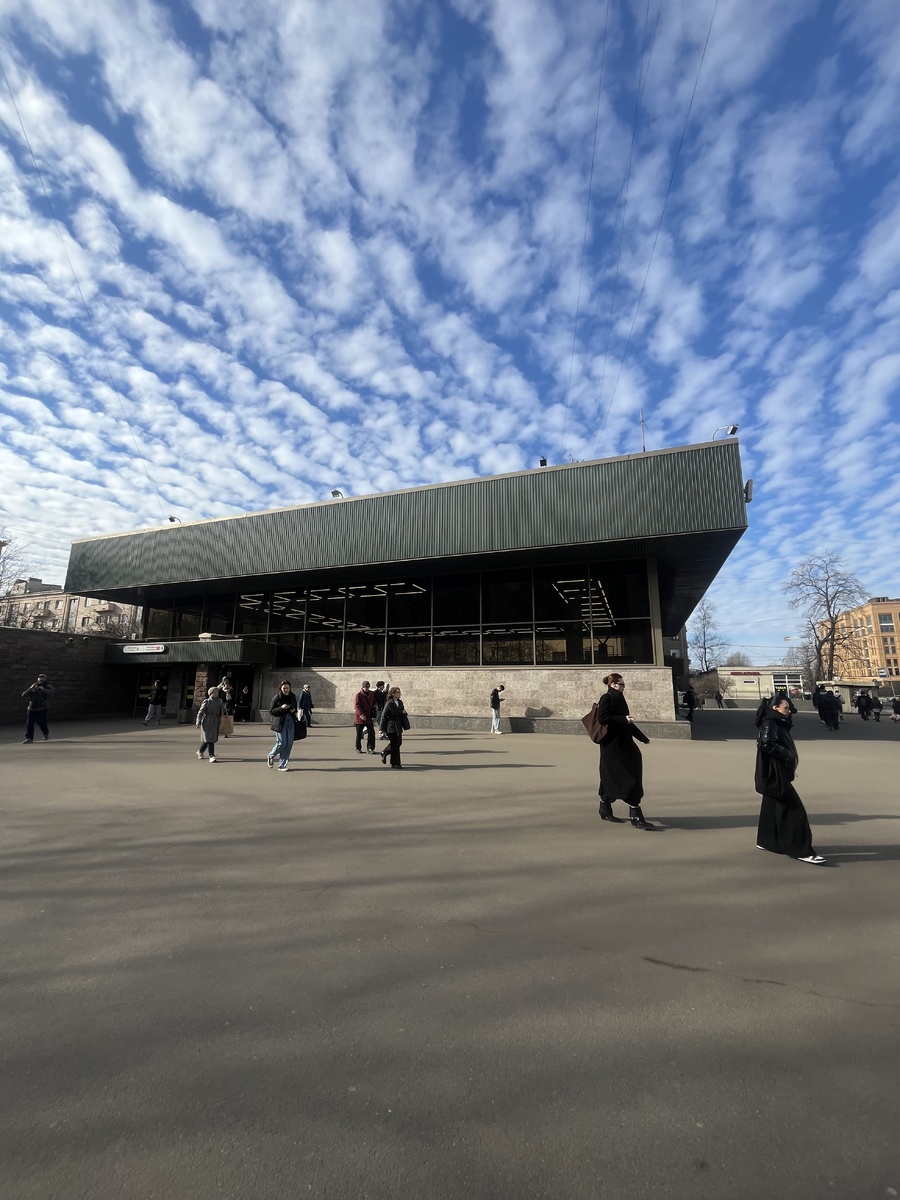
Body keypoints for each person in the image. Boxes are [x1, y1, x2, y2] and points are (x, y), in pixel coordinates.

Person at [755, 695, 825, 864]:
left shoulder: (776, 723)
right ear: (775, 708)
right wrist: (788, 754)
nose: (788, 712)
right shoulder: (771, 724)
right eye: (785, 708)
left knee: (772, 805)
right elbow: (766, 743)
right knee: (794, 810)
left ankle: (767, 841)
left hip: (773, 774)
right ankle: (801, 850)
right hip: (775, 774)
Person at [595, 672, 655, 830]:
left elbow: (626, 721)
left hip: (621, 743)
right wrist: (623, 719)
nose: (623, 687)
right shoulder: (608, 697)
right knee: (629, 774)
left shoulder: (618, 697)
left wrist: (642, 737)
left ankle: (605, 807)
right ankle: (635, 813)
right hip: (613, 745)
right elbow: (603, 718)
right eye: (622, 684)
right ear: (613, 684)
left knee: (612, 774)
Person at [268, 680, 299, 772]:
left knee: (289, 743)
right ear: (281, 688)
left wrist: (294, 711)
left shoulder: (293, 697)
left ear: (290, 688)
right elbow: (271, 711)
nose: (286, 690)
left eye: (287, 688)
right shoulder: (276, 698)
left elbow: (295, 708)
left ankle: (282, 765)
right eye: (284, 688)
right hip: (280, 722)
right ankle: (271, 755)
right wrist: (281, 708)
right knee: (282, 742)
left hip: (291, 721)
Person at [22, 673, 55, 744]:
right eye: (40, 679)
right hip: (31, 708)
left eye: (42, 679)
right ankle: (29, 738)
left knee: (40, 721)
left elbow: (52, 691)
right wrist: (30, 689)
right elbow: (23, 695)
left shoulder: (47, 686)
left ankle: (45, 732)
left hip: (42, 708)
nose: (41, 681)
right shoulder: (33, 687)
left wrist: (43, 689)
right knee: (29, 723)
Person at [380, 686, 408, 768]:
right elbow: (384, 716)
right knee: (395, 745)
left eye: (399, 692)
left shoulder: (400, 702)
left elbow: (403, 711)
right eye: (397, 692)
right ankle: (396, 763)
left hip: (398, 725)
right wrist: (381, 729)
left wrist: (405, 712)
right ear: (393, 694)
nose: (399, 694)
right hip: (391, 726)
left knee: (398, 743)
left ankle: (385, 752)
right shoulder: (389, 703)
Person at [196, 686, 224, 762]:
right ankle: (211, 755)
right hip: (207, 721)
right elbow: (200, 712)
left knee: (210, 738)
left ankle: (200, 751)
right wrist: (198, 721)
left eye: (217, 692)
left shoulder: (219, 701)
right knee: (209, 738)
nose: (215, 694)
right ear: (210, 693)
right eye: (214, 692)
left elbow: (222, 710)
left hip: (216, 720)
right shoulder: (207, 701)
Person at [354, 680, 376, 755]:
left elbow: (374, 702)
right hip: (360, 718)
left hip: (369, 716)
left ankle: (370, 748)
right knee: (359, 734)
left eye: (367, 687)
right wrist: (361, 715)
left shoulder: (371, 694)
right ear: (362, 687)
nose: (366, 688)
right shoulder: (358, 695)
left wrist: (375, 706)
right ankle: (358, 748)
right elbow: (357, 706)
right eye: (365, 687)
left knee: (371, 733)